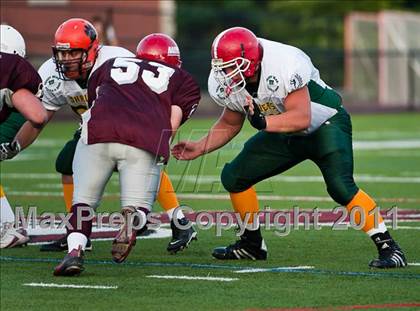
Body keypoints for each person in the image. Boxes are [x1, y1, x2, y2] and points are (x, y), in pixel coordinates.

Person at [172, 27, 406, 269]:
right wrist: (200, 147)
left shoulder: (285, 62)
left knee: (340, 187)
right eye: (222, 67)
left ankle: (389, 247)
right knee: (234, 177)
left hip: (324, 124)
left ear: (250, 61)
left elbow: (302, 117)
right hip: (283, 128)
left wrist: (263, 122)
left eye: (231, 66)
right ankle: (251, 245)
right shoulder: (230, 80)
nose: (225, 73)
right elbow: (231, 122)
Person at [8, 19, 196, 254]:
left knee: (144, 163)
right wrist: (16, 145)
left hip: (126, 122)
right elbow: (39, 118)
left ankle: (178, 221)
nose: (66, 60)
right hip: (93, 126)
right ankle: (77, 233)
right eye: (62, 54)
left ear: (93, 49)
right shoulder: (50, 73)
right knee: (67, 163)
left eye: (73, 53)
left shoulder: (115, 59)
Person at [53, 33, 201, 276]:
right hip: (143, 137)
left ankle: (74, 252)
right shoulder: (183, 79)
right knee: (139, 205)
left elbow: (96, 102)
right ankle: (132, 222)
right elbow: (170, 124)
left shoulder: (111, 64)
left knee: (82, 204)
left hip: (98, 131)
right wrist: (162, 151)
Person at [0, 24, 48, 248]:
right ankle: (7, 224)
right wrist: (15, 146)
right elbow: (38, 116)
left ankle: (7, 226)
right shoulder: (15, 69)